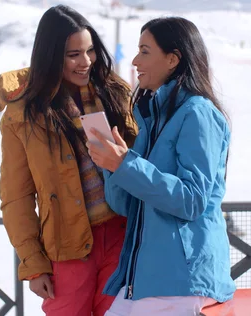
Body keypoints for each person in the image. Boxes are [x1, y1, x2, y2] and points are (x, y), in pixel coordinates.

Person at [0, 5, 137, 316]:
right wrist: (33, 263)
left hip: (121, 234)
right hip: (68, 245)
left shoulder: (113, 93)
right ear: (51, 56)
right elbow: (16, 196)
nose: (86, 62)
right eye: (73, 55)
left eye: (90, 51)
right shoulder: (22, 114)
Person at [87, 17, 236, 315]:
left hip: (183, 282)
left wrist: (126, 164)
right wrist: (114, 165)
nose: (134, 60)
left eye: (144, 51)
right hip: (145, 281)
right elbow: (126, 206)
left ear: (172, 59)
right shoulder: (152, 118)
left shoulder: (198, 113)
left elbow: (192, 200)